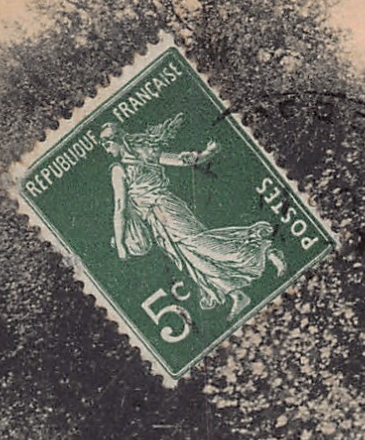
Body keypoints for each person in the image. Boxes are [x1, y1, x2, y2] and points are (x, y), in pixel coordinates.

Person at [102, 116, 286, 320]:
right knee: (190, 257)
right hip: (157, 219)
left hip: (165, 210)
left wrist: (120, 244)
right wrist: (205, 154)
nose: (106, 149)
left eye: (107, 143)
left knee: (201, 245)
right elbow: (182, 159)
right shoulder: (144, 153)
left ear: (118, 140)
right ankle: (235, 293)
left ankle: (264, 249)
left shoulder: (120, 169)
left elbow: (120, 207)